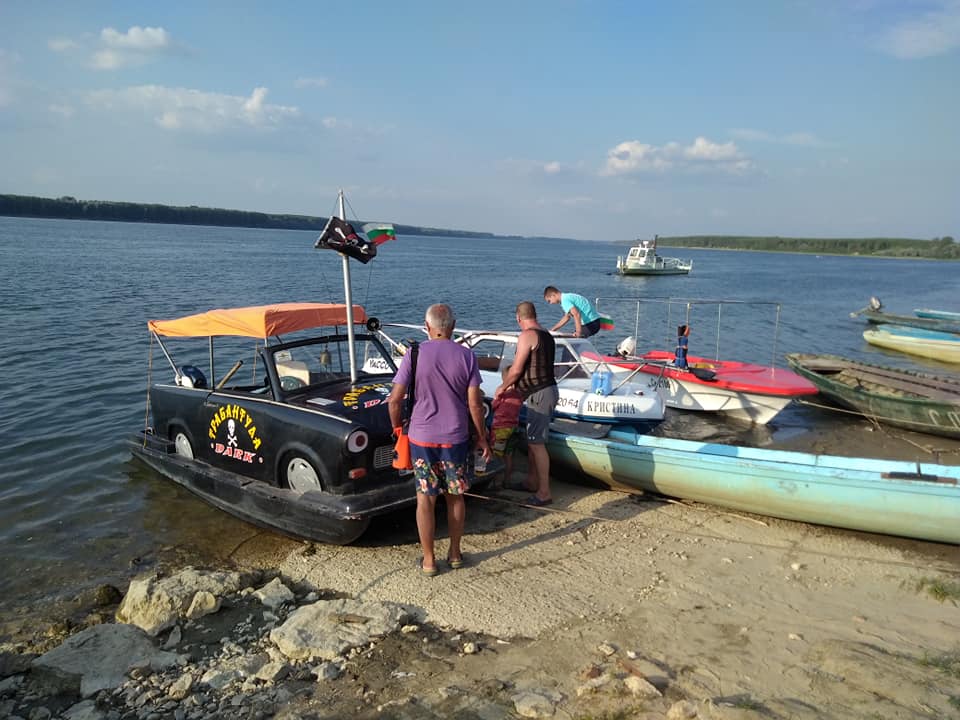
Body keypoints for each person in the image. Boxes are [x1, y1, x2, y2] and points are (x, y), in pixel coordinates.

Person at [388, 304, 491, 576]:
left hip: (421, 439)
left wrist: (397, 427)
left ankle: (429, 560)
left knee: (425, 499)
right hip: (455, 438)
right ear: (452, 327)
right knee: (455, 497)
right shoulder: (467, 356)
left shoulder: (414, 354)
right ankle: (455, 554)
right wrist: (482, 437)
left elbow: (395, 400)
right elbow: (475, 404)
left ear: (427, 326)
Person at [494, 301, 559, 506]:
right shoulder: (546, 335)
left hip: (540, 393)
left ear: (518, 318)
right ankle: (532, 481)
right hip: (544, 390)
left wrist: (502, 387)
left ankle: (544, 492)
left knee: (537, 444)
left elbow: (516, 369)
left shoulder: (527, 335)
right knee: (533, 441)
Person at [489, 366, 523, 489]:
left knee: (497, 455)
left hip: (500, 429)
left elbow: (493, 406)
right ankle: (507, 481)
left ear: (504, 378)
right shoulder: (519, 395)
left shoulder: (502, 394)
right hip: (514, 428)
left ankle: (496, 482)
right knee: (509, 456)